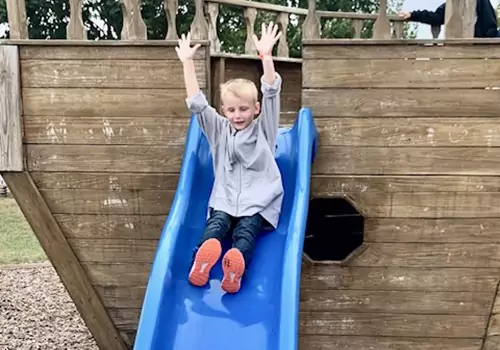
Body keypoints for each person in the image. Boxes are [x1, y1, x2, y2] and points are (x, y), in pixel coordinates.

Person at [175, 22, 285, 294]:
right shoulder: (218, 129)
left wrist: (266, 57)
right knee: (215, 226)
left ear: (256, 109)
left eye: (244, 109)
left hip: (258, 201)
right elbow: (197, 103)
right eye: (232, 109)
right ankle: (203, 260)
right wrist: (188, 63)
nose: (238, 115)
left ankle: (234, 266)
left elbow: (271, 91)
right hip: (224, 198)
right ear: (223, 110)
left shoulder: (264, 129)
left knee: (246, 233)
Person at [398, 0, 500, 37]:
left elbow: (489, 23)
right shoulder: (450, 5)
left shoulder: (481, 2)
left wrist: (488, 40)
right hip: (458, 45)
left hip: (479, 45)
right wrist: (413, 15)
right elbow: (436, 17)